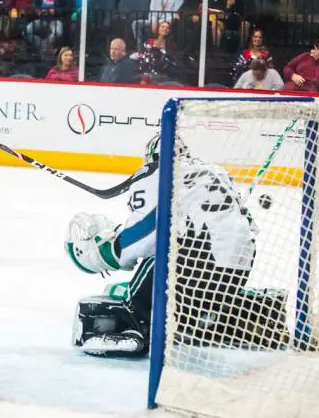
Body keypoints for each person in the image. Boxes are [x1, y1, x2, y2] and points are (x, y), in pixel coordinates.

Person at [64, 133, 258, 356]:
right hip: (240, 268)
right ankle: (213, 317)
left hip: (199, 265)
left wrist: (115, 251)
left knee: (159, 254)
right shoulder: (215, 172)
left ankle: (134, 325)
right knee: (180, 244)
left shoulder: (154, 172)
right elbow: (250, 225)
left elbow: (148, 232)